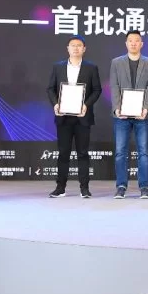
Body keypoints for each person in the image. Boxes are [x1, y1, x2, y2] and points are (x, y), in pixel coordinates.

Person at [45, 36, 102, 198]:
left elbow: (97, 90)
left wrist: (86, 105)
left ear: (84, 49)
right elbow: (50, 89)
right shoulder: (58, 67)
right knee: (63, 153)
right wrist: (56, 104)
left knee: (82, 153)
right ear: (68, 48)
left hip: (82, 116)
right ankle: (60, 188)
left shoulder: (91, 68)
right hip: (63, 116)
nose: (76, 48)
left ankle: (84, 188)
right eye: (73, 45)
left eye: (79, 45)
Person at [110, 30, 148, 199]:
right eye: (130, 40)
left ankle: (144, 187)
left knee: (143, 152)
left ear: (141, 44)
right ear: (126, 43)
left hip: (142, 115)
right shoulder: (116, 62)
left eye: (136, 40)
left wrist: (146, 108)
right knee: (120, 152)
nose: (133, 43)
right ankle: (121, 186)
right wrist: (117, 108)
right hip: (121, 116)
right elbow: (114, 86)